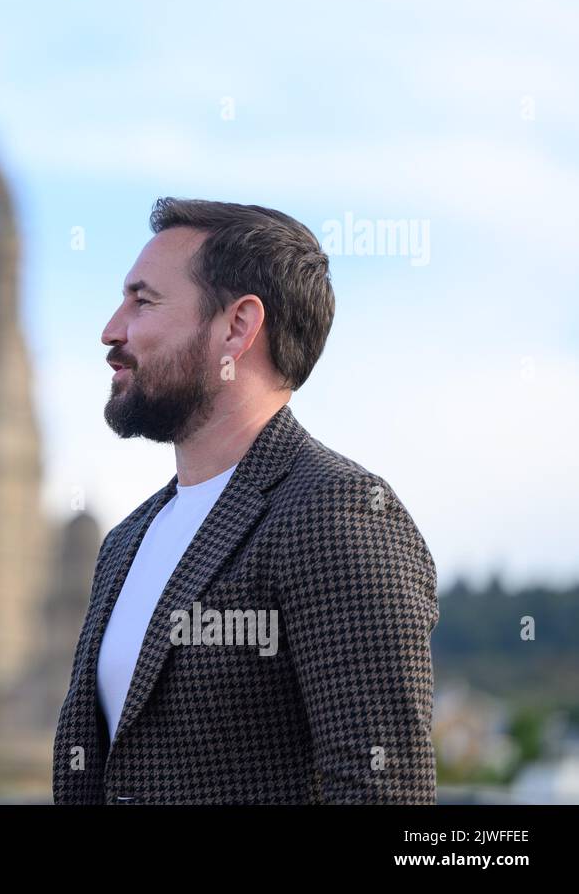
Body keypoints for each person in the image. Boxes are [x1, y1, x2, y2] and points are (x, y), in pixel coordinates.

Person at [53, 197, 438, 804]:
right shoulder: (125, 542)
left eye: (143, 300)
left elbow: (379, 790)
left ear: (236, 326)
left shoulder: (338, 512)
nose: (111, 329)